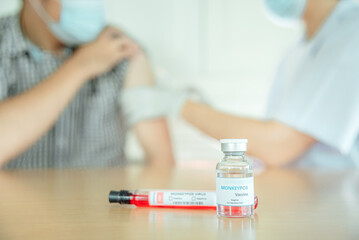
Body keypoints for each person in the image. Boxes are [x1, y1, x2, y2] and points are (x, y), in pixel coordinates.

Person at [179, 0, 359, 168]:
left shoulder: (351, 35)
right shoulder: (306, 44)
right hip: (298, 189)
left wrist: (179, 105)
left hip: (329, 195)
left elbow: (278, 145)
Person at [0, 0, 174, 169]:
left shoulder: (122, 49)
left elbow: (162, 160)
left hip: (103, 198)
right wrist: (80, 66)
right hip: (15, 199)